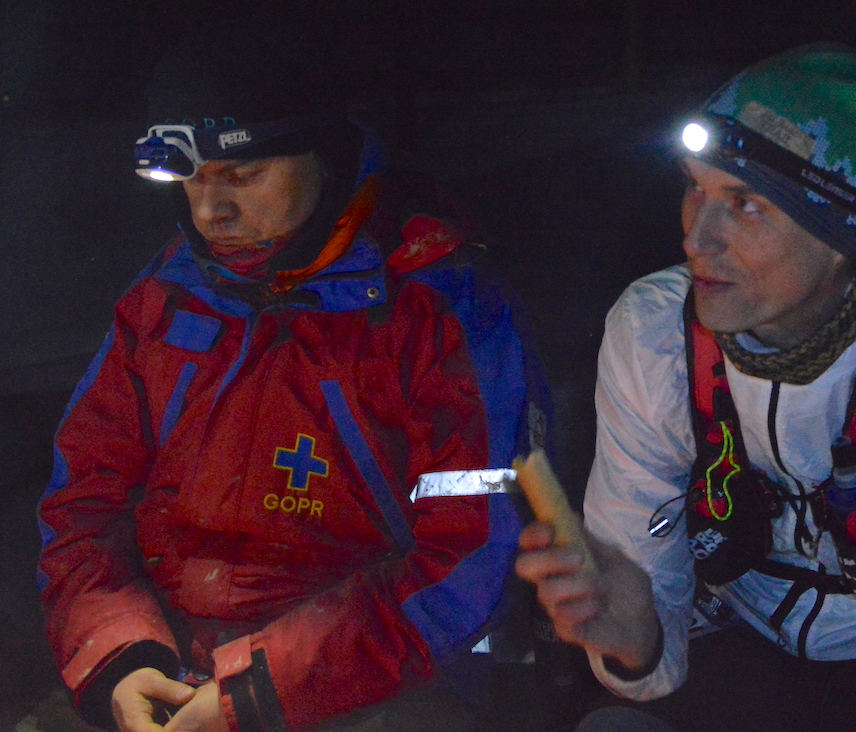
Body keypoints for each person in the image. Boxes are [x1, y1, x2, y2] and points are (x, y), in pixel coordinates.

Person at [37, 17, 548, 732]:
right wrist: (121, 658)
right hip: (168, 658)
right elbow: (83, 500)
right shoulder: (169, 295)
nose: (210, 211)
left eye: (243, 175)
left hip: (368, 674)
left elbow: (471, 548)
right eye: (189, 179)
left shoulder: (439, 310)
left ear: (325, 157)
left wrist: (254, 693)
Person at [517, 44, 856, 732]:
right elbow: (644, 585)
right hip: (735, 636)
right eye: (695, 189)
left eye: (745, 205)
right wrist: (637, 640)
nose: (697, 239)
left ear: (840, 235)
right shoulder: (652, 332)